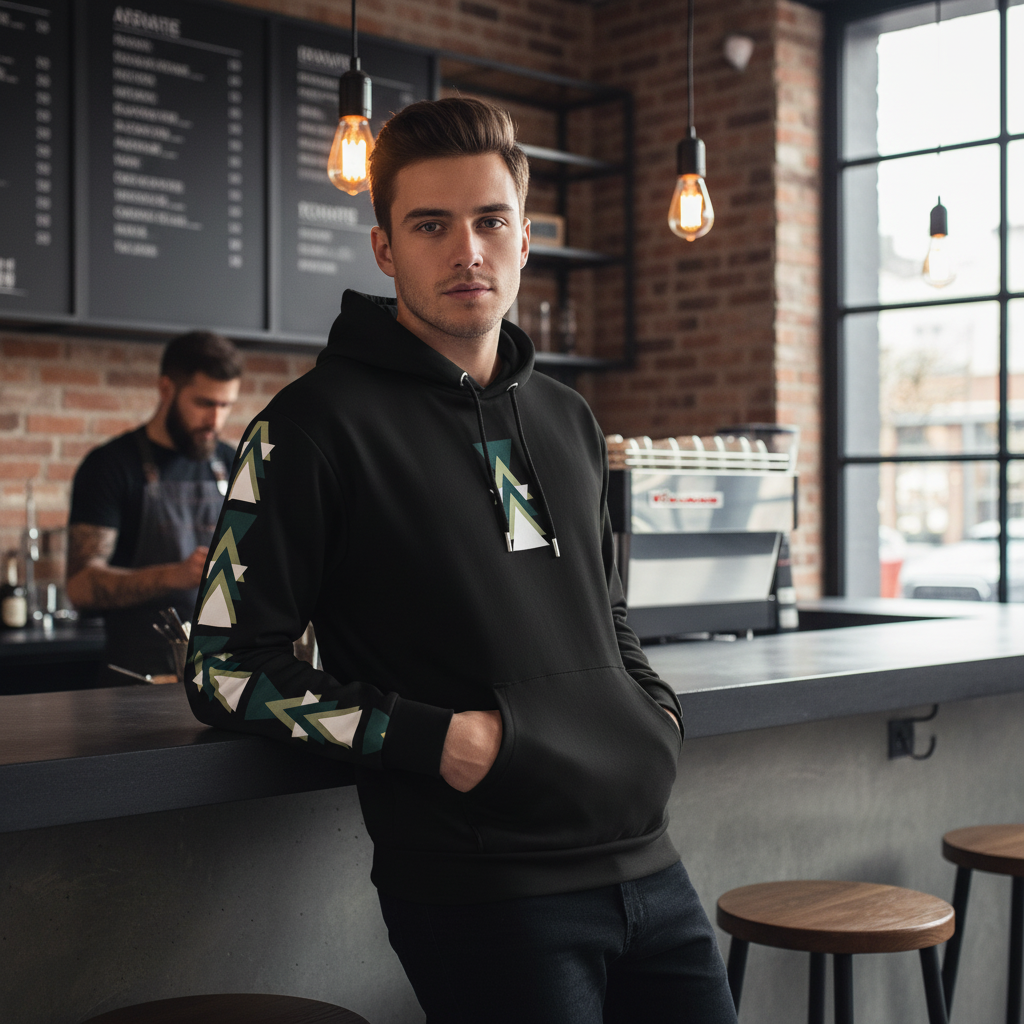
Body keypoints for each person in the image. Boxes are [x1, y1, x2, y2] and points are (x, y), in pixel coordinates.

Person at [185, 98, 737, 1024]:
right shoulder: (308, 429)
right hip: (484, 892)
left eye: (490, 222)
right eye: (431, 225)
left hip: (652, 865)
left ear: (525, 240)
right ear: (385, 249)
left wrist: (651, 713)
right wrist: (432, 739)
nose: (466, 251)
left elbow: (607, 617)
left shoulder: (568, 419)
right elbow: (222, 669)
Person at [67, 331, 242, 682]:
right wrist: (174, 575)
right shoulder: (110, 466)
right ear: (166, 389)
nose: (216, 421)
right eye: (205, 403)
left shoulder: (233, 462)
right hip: (134, 682)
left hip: (222, 678)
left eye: (226, 406)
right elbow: (80, 586)